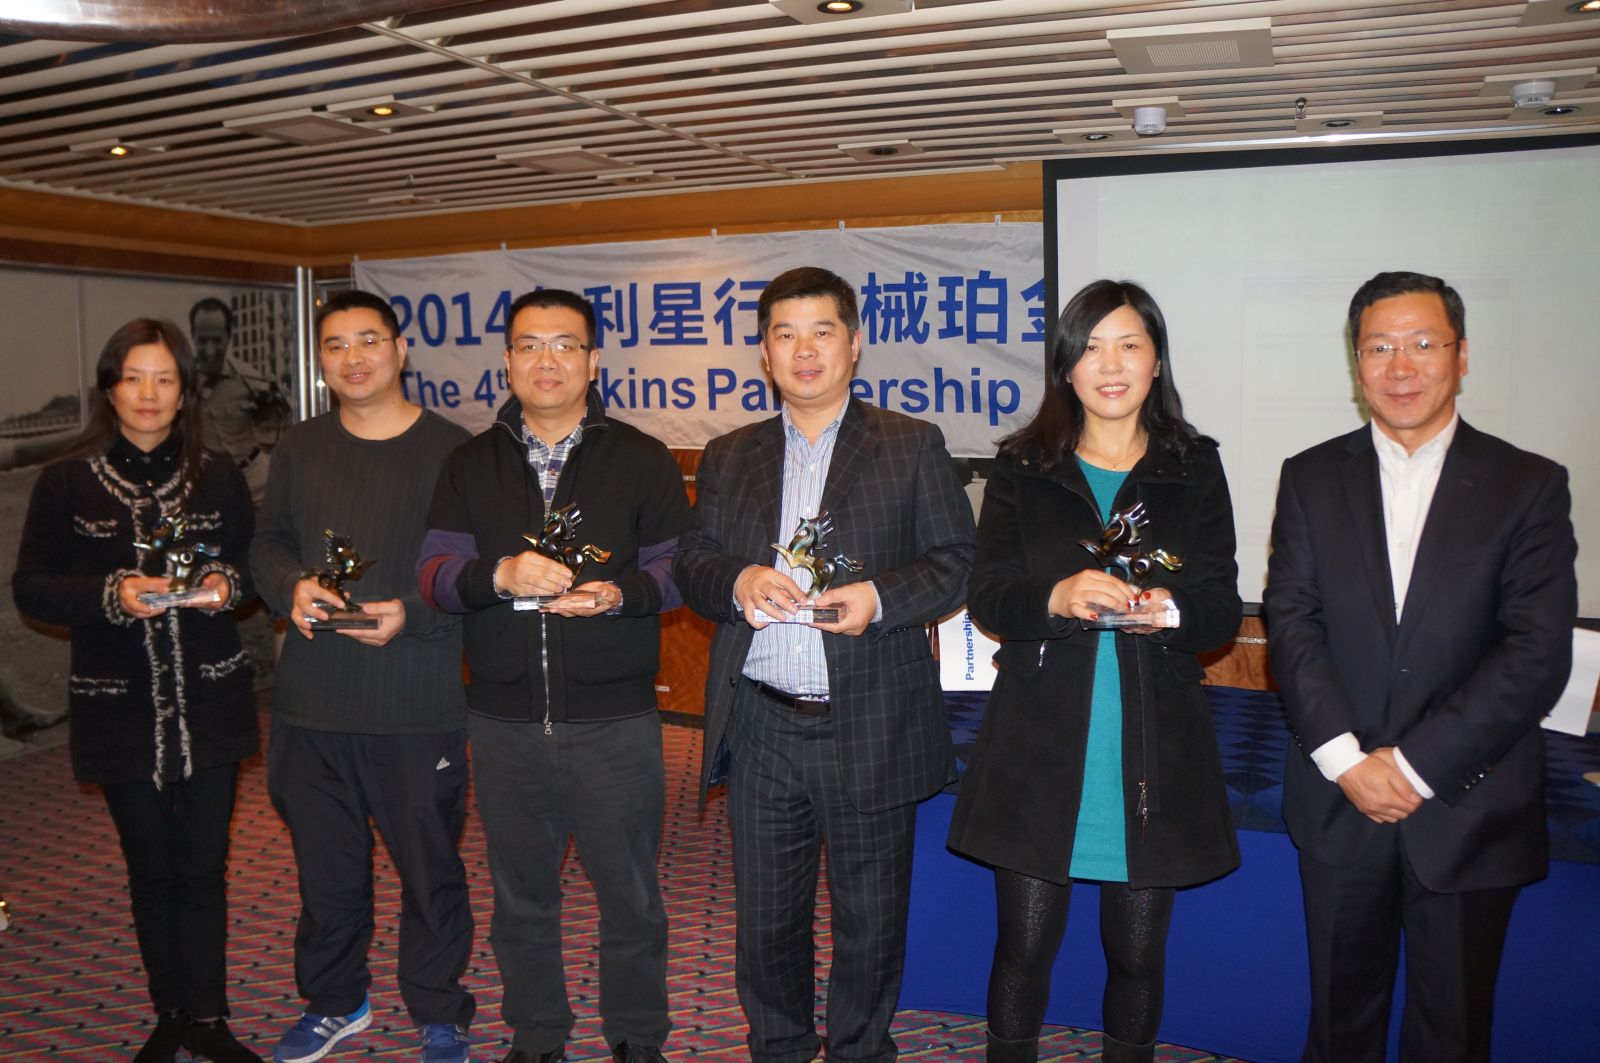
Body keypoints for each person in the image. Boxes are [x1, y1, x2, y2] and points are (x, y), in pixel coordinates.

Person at [1264, 270, 1578, 1062]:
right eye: (1379, 348)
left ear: (1461, 355)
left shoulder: (1528, 484)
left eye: (1423, 344)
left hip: (1469, 805)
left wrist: (1410, 766)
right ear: (1357, 363)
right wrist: (1347, 761)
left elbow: (1536, 651)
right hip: (1340, 802)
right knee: (1339, 1027)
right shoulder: (1309, 475)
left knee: (1453, 1034)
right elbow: (1292, 623)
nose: (1400, 366)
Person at [674, 266, 976, 1063]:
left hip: (869, 719)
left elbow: (957, 561)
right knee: (766, 917)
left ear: (856, 344)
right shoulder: (730, 454)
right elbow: (693, 560)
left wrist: (880, 595)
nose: (804, 351)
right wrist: (737, 579)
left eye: (822, 332)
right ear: (764, 353)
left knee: (869, 919)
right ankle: (778, 1045)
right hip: (763, 720)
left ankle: (859, 1051)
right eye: (785, 334)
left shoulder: (910, 443)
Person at [945, 280, 1242, 1063]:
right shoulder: (1024, 466)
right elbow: (989, 593)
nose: (1111, 365)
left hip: (1152, 749)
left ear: (1156, 361)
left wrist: (1172, 611)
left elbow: (1220, 604)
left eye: (1130, 345)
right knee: (1024, 946)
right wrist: (1056, 596)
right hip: (1040, 743)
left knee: (1138, 954)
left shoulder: (1194, 466)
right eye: (1092, 348)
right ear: (1067, 366)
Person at [418, 289, 687, 1063]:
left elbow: (677, 569)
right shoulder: (469, 463)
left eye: (565, 344)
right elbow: (434, 573)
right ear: (507, 360)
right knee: (521, 898)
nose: (547, 360)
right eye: (529, 344)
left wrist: (620, 593)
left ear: (593, 360)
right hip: (503, 723)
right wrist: (498, 574)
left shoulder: (642, 457)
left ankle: (637, 1035)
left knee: (631, 896)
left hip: (615, 723)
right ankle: (537, 1033)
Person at [13, 319, 261, 1063]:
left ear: (185, 393)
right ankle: (171, 1012)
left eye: (165, 379)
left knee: (204, 869)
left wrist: (227, 586)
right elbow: (33, 588)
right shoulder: (66, 481)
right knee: (150, 870)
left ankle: (209, 1018)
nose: (148, 394)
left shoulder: (217, 476)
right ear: (109, 389)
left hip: (210, 705)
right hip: (118, 709)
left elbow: (251, 569)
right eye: (133, 378)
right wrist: (113, 592)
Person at [249, 290, 476, 1063]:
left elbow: (471, 572)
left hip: (416, 703)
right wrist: (290, 585)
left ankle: (440, 1009)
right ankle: (335, 999)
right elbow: (268, 543)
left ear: (401, 349)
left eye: (369, 340)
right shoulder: (299, 446)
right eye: (336, 345)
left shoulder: (454, 449)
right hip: (312, 704)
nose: (353, 357)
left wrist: (411, 610)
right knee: (326, 873)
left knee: (429, 872)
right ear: (322, 361)